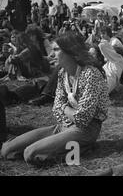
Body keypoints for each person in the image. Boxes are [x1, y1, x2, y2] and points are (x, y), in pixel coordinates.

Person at [0, 32, 109, 166]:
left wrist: (64, 107)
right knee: (6, 150)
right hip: (64, 125)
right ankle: (61, 145)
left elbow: (82, 117)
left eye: (57, 50)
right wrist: (66, 111)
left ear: (71, 52)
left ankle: (83, 147)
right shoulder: (63, 73)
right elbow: (56, 107)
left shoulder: (91, 74)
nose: (52, 54)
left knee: (31, 154)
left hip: (86, 129)